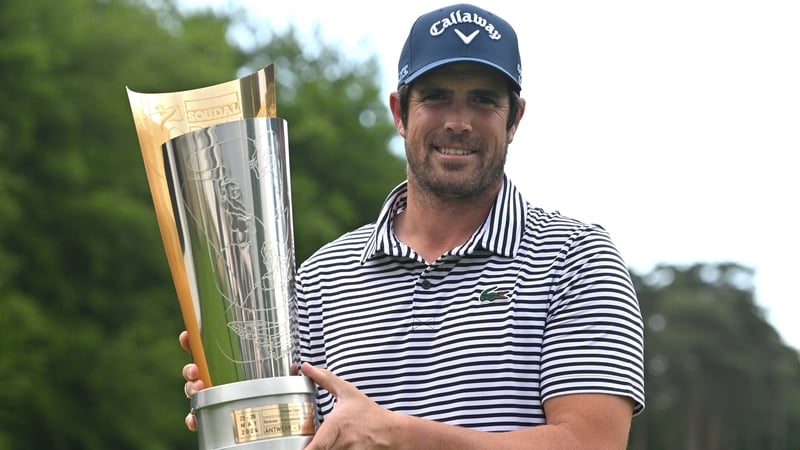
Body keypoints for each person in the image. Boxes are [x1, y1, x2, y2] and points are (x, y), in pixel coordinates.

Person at [181, 3, 645, 449]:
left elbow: (591, 443)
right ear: (399, 112)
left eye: (483, 100)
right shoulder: (321, 278)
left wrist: (399, 437)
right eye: (436, 97)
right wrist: (238, 400)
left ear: (514, 118)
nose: (458, 122)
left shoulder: (576, 258)